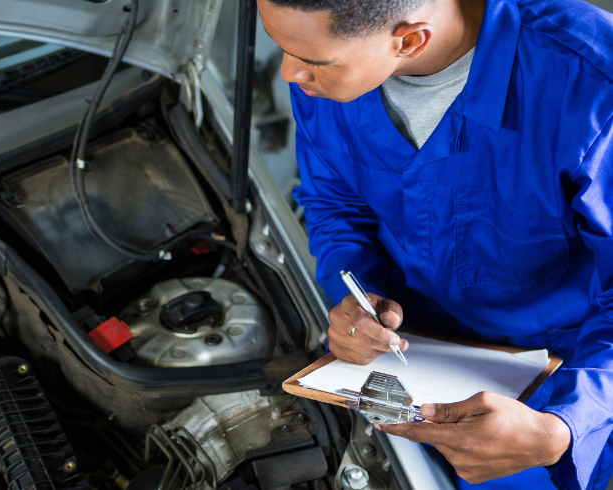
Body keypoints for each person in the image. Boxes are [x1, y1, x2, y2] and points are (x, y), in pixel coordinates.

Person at [256, 0, 613, 488]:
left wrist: (565, 426)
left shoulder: (592, 89)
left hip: (550, 396)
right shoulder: (325, 70)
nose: (289, 73)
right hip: (399, 368)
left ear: (409, 40)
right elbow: (336, 205)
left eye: (312, 60)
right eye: (282, 46)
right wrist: (359, 302)